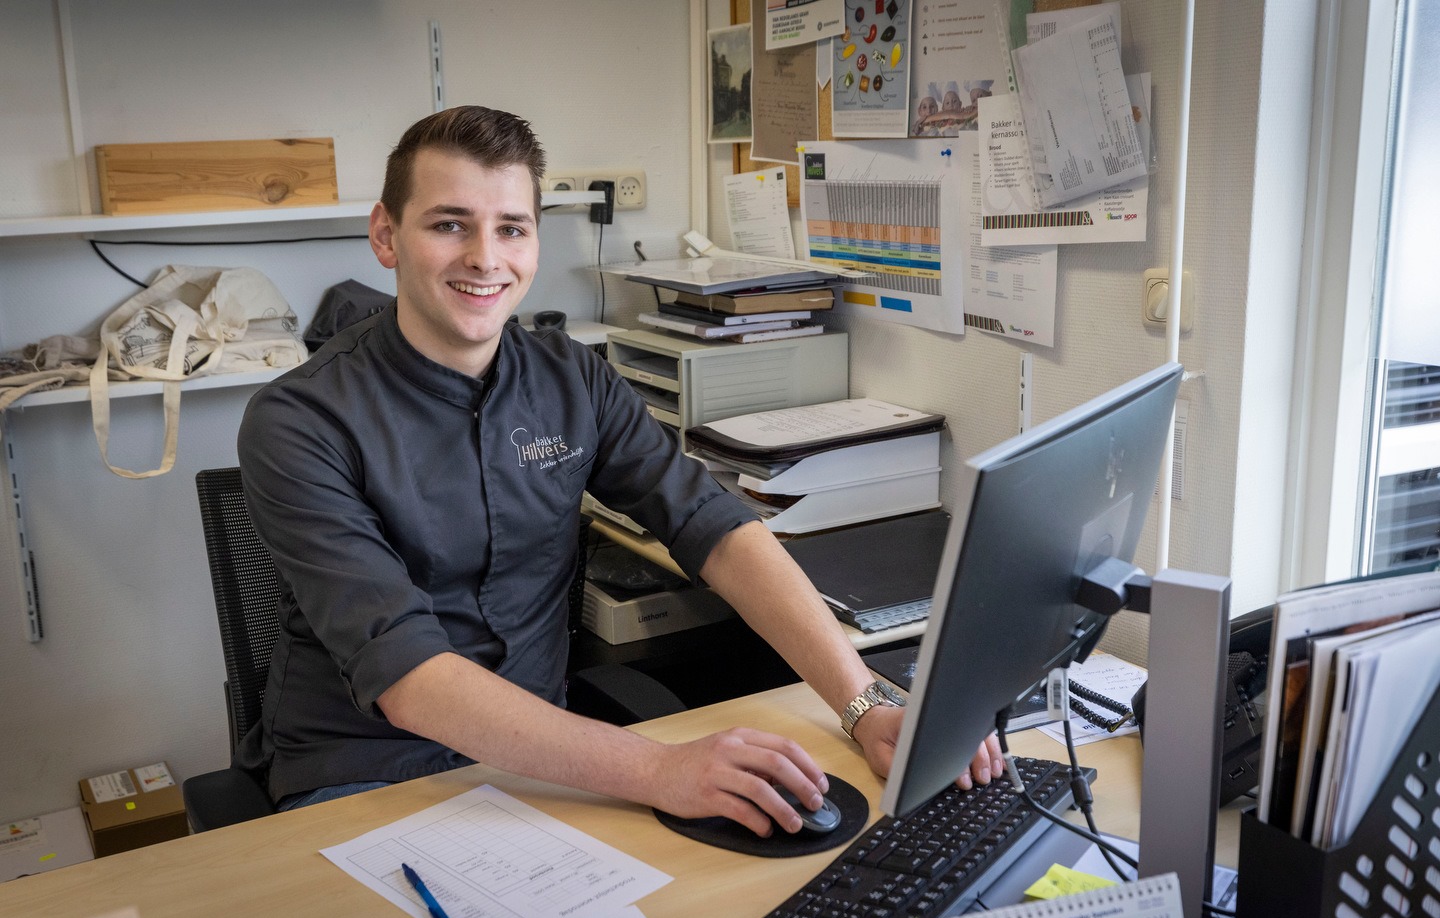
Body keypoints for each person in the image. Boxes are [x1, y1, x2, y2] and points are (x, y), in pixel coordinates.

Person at [236, 104, 1001, 836]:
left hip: (544, 764)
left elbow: (714, 528)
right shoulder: (300, 422)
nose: (485, 258)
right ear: (386, 234)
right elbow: (409, 676)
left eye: (512, 228)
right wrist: (659, 770)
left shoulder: (574, 379)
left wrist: (867, 705)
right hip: (369, 773)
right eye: (449, 225)